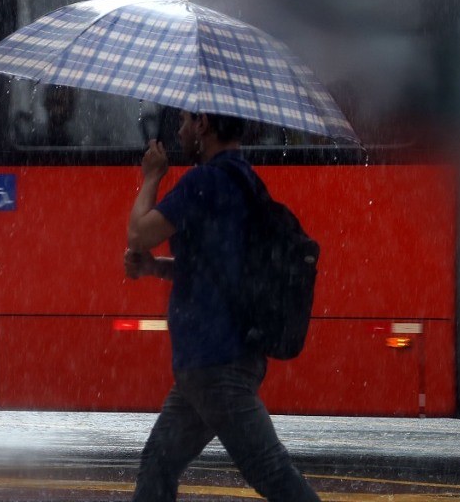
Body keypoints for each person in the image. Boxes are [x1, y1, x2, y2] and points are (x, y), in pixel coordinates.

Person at [124, 110, 320, 502]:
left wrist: (151, 176)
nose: (177, 132)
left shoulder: (205, 180)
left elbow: (139, 232)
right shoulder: (244, 180)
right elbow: (214, 269)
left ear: (203, 125)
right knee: (159, 461)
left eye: (183, 121)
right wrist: (154, 267)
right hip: (214, 362)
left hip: (214, 362)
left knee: (271, 471)